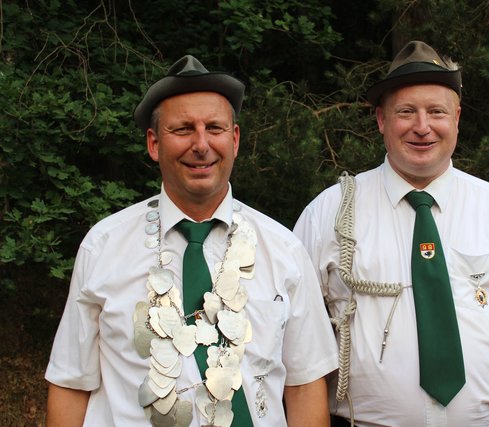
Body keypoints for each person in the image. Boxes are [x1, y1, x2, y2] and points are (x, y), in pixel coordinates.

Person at [293, 41, 489, 427]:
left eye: (436, 112)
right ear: (381, 120)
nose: (422, 126)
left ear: (457, 118)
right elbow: (297, 348)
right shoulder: (328, 214)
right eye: (406, 112)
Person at [45, 55, 338, 427]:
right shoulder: (103, 247)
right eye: (183, 129)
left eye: (214, 128)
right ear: (153, 144)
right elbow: (72, 383)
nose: (201, 145)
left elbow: (304, 385)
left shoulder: (283, 250)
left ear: (234, 139)